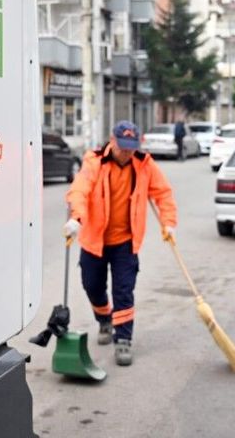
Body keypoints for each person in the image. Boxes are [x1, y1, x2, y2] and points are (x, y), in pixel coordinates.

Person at [63, 121, 178, 366]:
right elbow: (79, 190)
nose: (126, 153)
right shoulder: (95, 162)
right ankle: (105, 319)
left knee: (124, 291)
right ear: (112, 142)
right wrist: (77, 218)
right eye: (122, 147)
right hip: (95, 239)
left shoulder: (144, 165)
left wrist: (168, 223)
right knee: (92, 285)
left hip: (125, 241)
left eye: (131, 148)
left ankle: (123, 339)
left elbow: (163, 193)